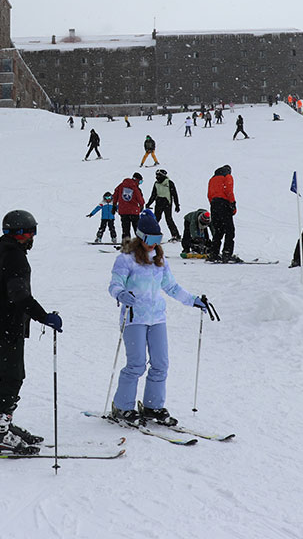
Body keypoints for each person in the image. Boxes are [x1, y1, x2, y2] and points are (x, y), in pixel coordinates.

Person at [107, 210, 211, 426]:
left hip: (157, 318)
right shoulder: (126, 259)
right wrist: (120, 294)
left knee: (160, 364)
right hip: (134, 317)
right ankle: (122, 407)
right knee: (136, 365)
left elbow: (171, 287)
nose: (154, 244)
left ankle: (152, 406)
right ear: (140, 236)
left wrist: (193, 300)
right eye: (150, 239)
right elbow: (115, 283)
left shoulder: (159, 260)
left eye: (158, 239)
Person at [0, 209, 61, 455]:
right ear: (22, 233)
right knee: (12, 377)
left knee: (10, 375)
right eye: (32, 232)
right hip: (4, 326)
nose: (33, 238)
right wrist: (45, 317)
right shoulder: (15, 257)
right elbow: (19, 295)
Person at [206, 164, 239, 262]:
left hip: (214, 204)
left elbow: (209, 195)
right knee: (229, 230)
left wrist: (214, 204)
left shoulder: (212, 179)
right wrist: (232, 203)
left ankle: (214, 254)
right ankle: (227, 253)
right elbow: (228, 190)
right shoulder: (227, 176)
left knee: (218, 231)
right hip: (224, 204)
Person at [146, 169, 182, 242]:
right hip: (159, 202)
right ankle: (152, 234)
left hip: (167, 203)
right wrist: (149, 203)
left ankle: (176, 235)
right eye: (156, 175)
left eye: (159, 175)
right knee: (156, 219)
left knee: (168, 219)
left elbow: (174, 194)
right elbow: (153, 195)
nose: (157, 177)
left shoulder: (169, 183)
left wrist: (177, 205)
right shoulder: (156, 183)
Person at [114, 173, 145, 240]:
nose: (139, 184)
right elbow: (139, 198)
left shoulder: (121, 185)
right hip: (134, 211)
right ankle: (141, 243)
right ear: (136, 180)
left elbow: (115, 195)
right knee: (137, 229)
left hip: (123, 211)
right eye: (140, 181)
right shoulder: (135, 187)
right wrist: (142, 205)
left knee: (125, 230)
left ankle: (126, 244)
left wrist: (114, 205)